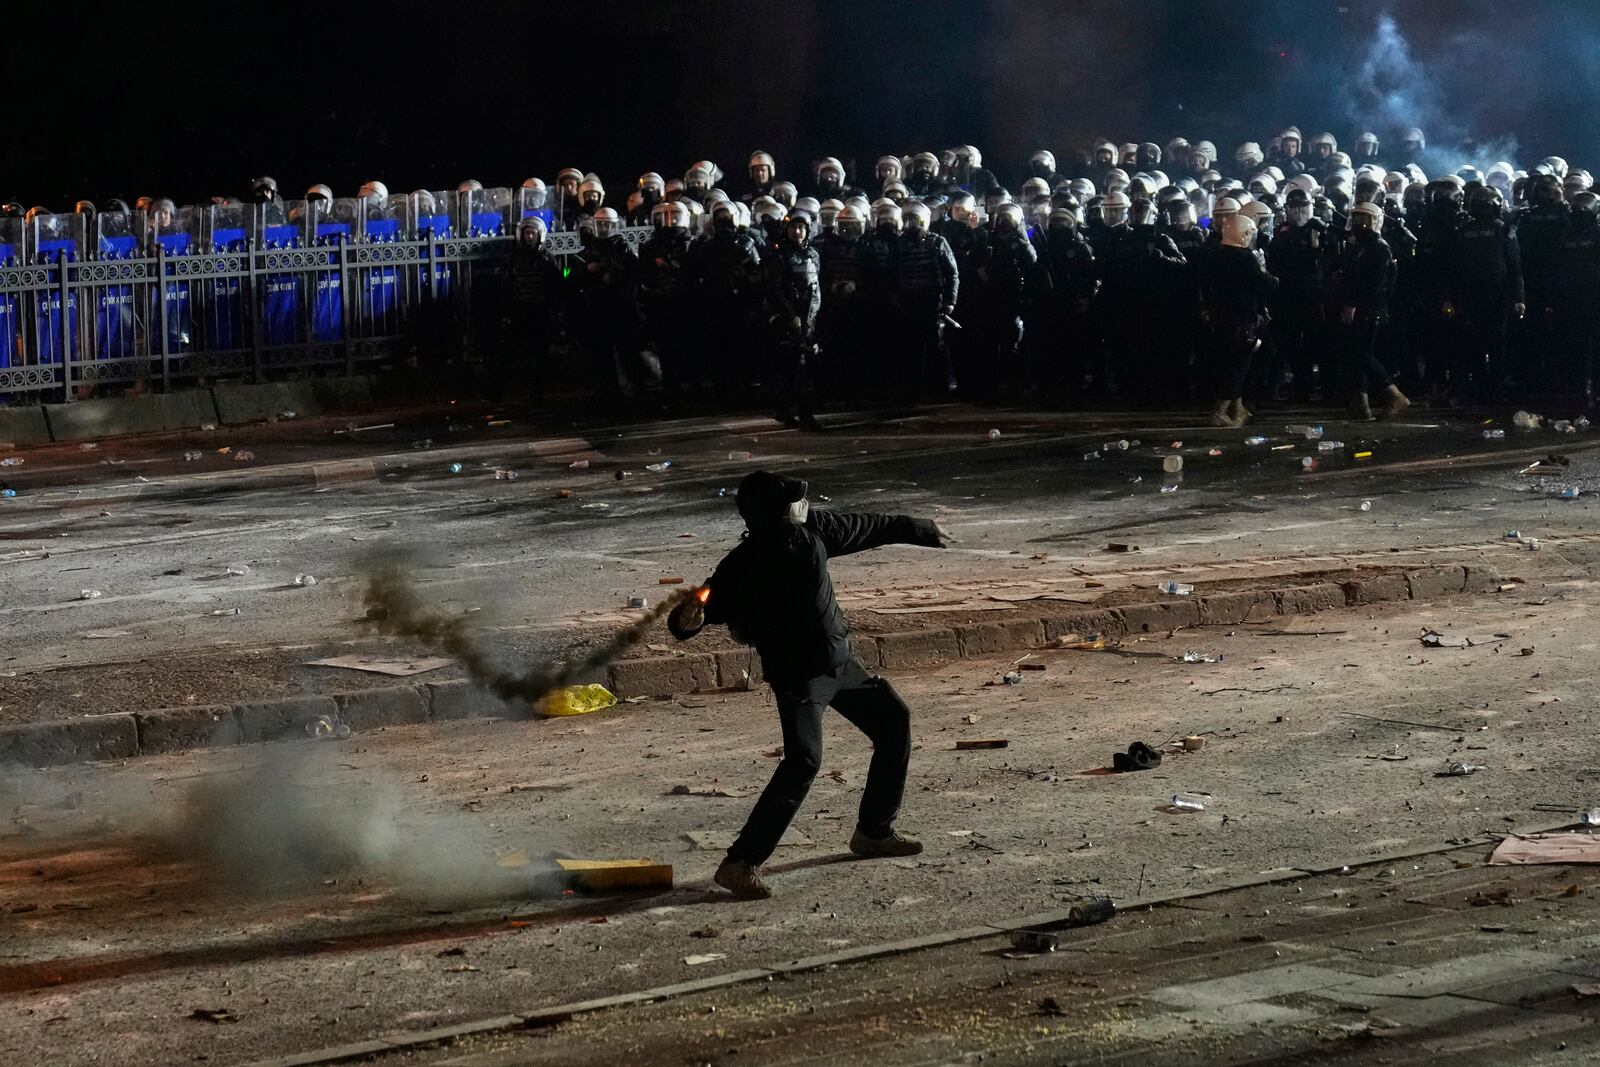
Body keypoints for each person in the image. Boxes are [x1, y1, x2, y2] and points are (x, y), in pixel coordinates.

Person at [668, 470, 953, 899]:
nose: (802, 506)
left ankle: (874, 832)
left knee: (893, 720)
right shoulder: (745, 564)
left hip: (840, 665)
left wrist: (921, 529)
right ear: (774, 511)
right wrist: (688, 620)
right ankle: (740, 863)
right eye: (791, 502)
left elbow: (871, 526)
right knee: (803, 762)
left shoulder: (813, 531)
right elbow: (703, 608)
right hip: (798, 677)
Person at [1332, 202, 1411, 419]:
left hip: (1368, 309)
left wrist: (1352, 303)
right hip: (1362, 307)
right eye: (1356, 219)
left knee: (1362, 354)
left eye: (1364, 220)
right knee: (1354, 355)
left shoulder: (1378, 248)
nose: (1359, 224)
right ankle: (1361, 402)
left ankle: (1394, 394)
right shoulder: (1361, 247)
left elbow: (1373, 284)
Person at [1198, 212, 1277, 426]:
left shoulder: (1217, 255)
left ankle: (1238, 408)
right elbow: (1265, 284)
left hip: (1222, 316)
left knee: (1233, 360)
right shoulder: (1244, 257)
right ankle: (1220, 410)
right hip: (1243, 318)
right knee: (1239, 363)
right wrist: (1268, 274)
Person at [765, 210, 823, 427]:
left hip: (810, 317)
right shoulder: (780, 256)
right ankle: (797, 413)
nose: (797, 231)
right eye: (793, 227)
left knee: (805, 367)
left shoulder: (814, 255)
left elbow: (817, 285)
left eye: (801, 228)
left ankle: (790, 410)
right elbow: (775, 290)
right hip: (789, 319)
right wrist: (791, 316)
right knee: (792, 368)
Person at [507, 217, 562, 398]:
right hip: (520, 310)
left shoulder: (547, 258)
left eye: (532, 233)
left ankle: (539, 390)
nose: (529, 237)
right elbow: (507, 285)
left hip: (541, 311)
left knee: (541, 352)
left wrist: (554, 310)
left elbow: (556, 285)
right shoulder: (514, 258)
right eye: (526, 233)